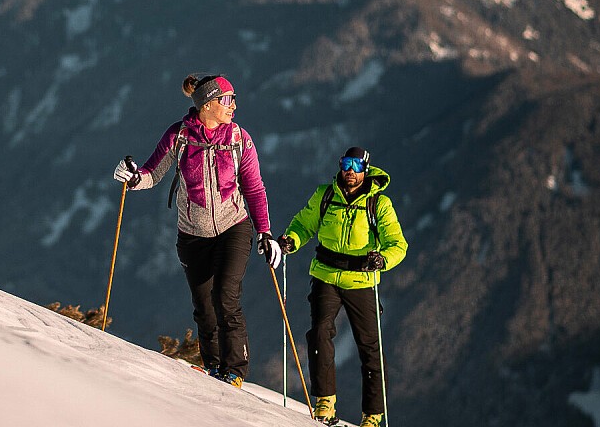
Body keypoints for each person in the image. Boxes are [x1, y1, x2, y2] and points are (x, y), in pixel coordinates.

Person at [112, 73, 281, 388]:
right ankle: (214, 369)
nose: (234, 106)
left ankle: (235, 371)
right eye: (228, 100)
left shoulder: (239, 139)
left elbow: (255, 189)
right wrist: (133, 178)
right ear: (209, 103)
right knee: (204, 307)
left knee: (225, 296)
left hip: (235, 227)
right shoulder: (178, 136)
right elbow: (152, 172)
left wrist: (265, 232)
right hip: (192, 236)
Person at [277, 147, 408, 427]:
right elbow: (303, 224)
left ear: (366, 169)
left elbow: (398, 244)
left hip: (361, 280)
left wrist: (382, 259)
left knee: (369, 347)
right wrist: (291, 240)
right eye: (346, 164)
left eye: (356, 165)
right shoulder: (326, 195)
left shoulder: (378, 204)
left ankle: (372, 416)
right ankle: (325, 401)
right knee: (319, 333)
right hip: (326, 275)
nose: (350, 170)